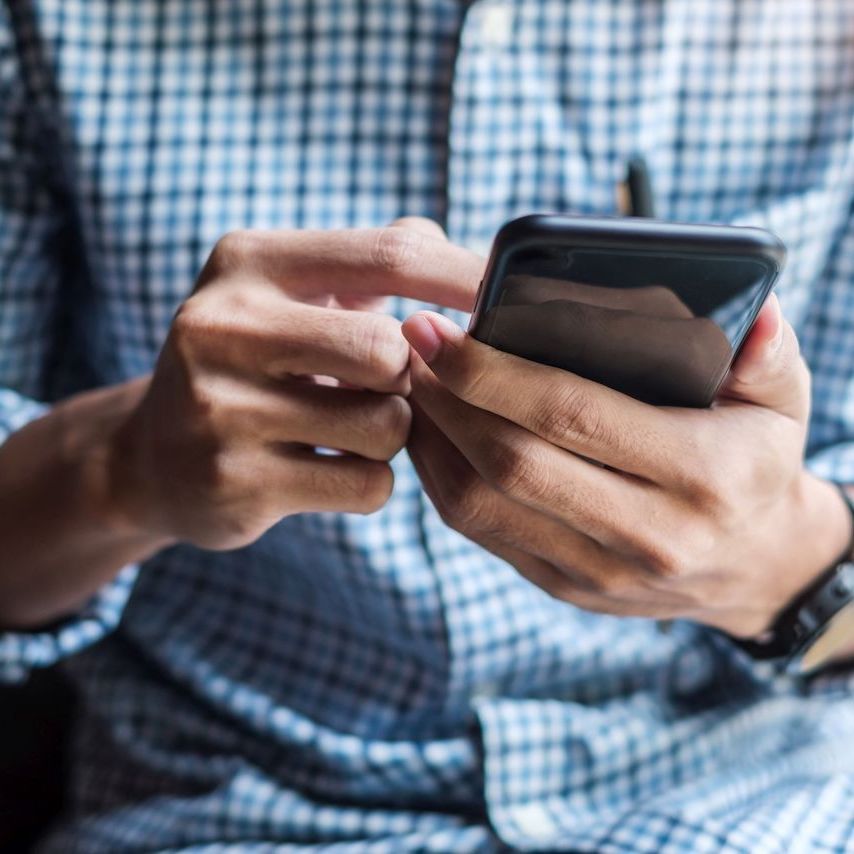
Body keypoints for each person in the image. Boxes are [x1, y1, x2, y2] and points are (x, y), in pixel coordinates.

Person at [2, 1, 854, 850]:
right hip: (239, 812)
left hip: (753, 797)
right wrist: (119, 467)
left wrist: (786, 561)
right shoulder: (53, 25)